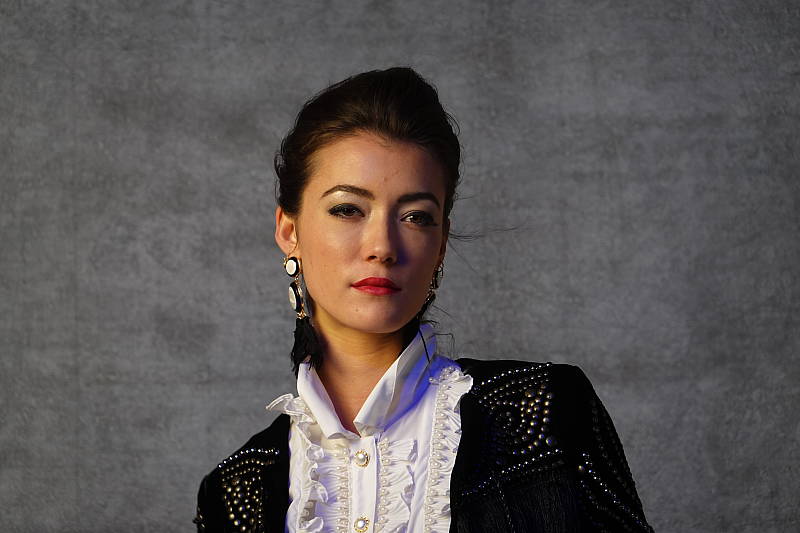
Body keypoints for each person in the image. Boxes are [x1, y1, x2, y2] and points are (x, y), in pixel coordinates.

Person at [194, 67, 653, 533]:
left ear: (440, 244)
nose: (382, 246)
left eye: (415, 216)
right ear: (289, 231)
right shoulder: (233, 493)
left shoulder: (545, 412)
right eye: (348, 210)